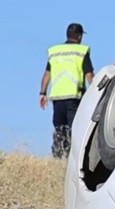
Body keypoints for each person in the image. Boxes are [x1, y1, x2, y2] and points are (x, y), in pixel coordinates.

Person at [39, 23, 94, 159]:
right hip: (74, 97)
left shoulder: (55, 51)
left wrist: (42, 93)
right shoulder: (81, 51)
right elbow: (89, 75)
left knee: (59, 128)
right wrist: (96, 92)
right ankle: (71, 159)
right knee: (74, 129)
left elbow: (47, 74)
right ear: (80, 36)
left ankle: (57, 156)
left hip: (57, 97)